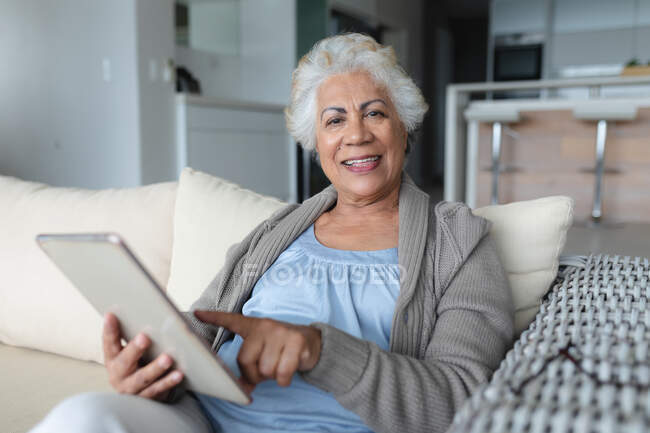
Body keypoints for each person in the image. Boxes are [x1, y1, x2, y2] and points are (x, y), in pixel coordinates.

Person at [29, 33, 514, 433]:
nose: (356, 135)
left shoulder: (459, 242)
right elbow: (201, 325)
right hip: (204, 419)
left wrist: (319, 350)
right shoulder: (277, 231)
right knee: (81, 416)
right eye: (335, 120)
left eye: (375, 113)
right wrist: (149, 363)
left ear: (404, 128)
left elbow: (461, 398)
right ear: (317, 144)